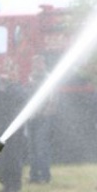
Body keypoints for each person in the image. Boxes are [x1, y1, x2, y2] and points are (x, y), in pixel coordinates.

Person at [0, 69, 28, 192]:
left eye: (12, 74)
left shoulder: (19, 89)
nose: (9, 77)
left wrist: (6, 88)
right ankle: (5, 184)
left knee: (14, 157)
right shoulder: (0, 89)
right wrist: (0, 87)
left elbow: (17, 98)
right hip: (1, 127)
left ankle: (14, 186)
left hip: (15, 130)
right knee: (2, 158)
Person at [26, 55, 56, 184]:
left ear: (43, 63)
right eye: (34, 63)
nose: (36, 65)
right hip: (32, 117)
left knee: (41, 146)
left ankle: (45, 175)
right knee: (32, 147)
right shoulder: (31, 78)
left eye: (39, 62)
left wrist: (45, 112)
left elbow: (52, 98)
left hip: (44, 117)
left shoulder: (48, 78)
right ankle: (34, 175)